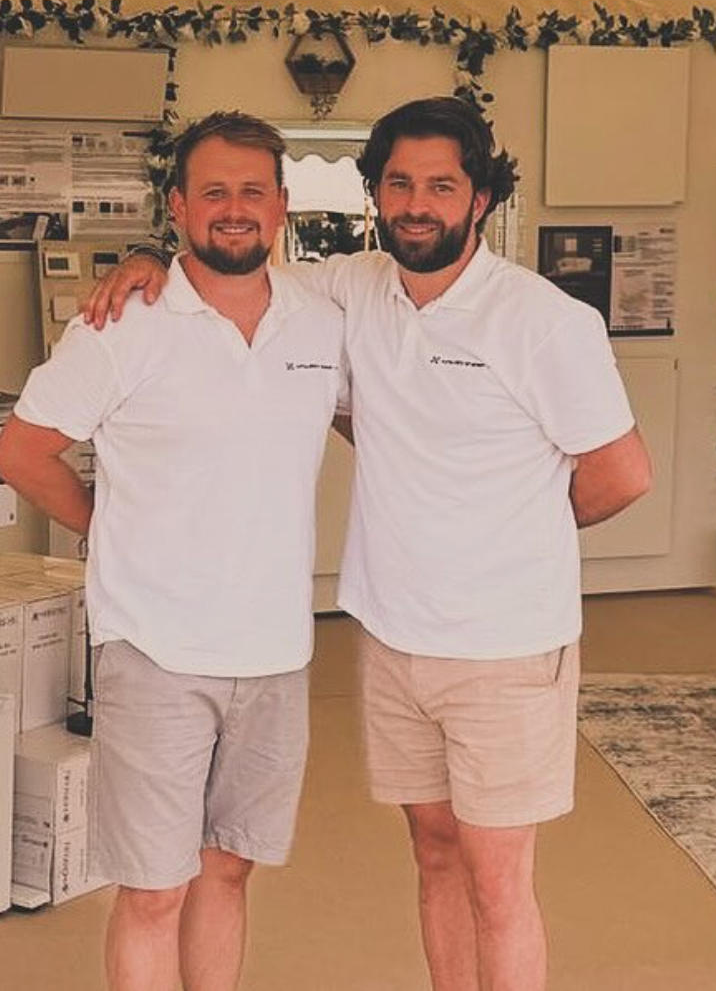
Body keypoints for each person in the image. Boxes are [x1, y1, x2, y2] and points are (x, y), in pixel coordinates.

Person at [83, 96, 651, 991]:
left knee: (499, 880)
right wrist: (146, 257)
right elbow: (230, 267)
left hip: (504, 646)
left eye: (441, 186)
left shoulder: (543, 320)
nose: (416, 204)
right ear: (375, 195)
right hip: (392, 637)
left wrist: (514, 519)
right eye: (399, 184)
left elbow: (621, 474)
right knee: (433, 854)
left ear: (480, 199)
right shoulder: (348, 290)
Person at [0, 111, 345, 991]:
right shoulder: (123, 323)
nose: (235, 208)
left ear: (281, 205)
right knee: (154, 889)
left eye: (253, 191)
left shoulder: (322, 321)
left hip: (275, 653)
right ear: (180, 206)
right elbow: (22, 449)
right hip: (155, 650)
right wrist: (103, 522)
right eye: (214, 191)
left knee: (228, 870)